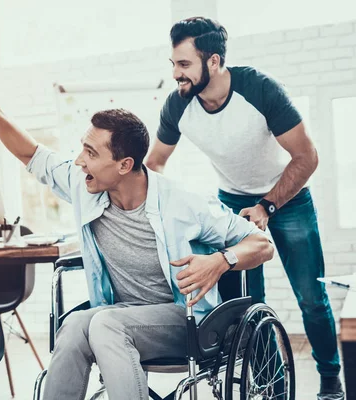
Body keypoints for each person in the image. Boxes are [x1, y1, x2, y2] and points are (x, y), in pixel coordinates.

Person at [0, 59, 274, 400]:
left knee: (105, 324)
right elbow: (31, 153)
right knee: (74, 325)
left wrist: (221, 261)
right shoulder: (85, 185)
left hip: (189, 320)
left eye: (90, 152)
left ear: (124, 165)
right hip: (123, 313)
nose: (78, 161)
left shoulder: (182, 202)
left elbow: (262, 244)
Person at [145, 17, 343, 400]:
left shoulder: (259, 89)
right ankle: (273, 385)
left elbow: (307, 156)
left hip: (288, 197)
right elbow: (154, 166)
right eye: (173, 64)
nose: (176, 74)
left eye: (184, 65)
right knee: (250, 305)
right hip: (232, 203)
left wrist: (267, 204)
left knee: (311, 298)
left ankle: (330, 379)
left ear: (214, 62)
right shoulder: (179, 105)